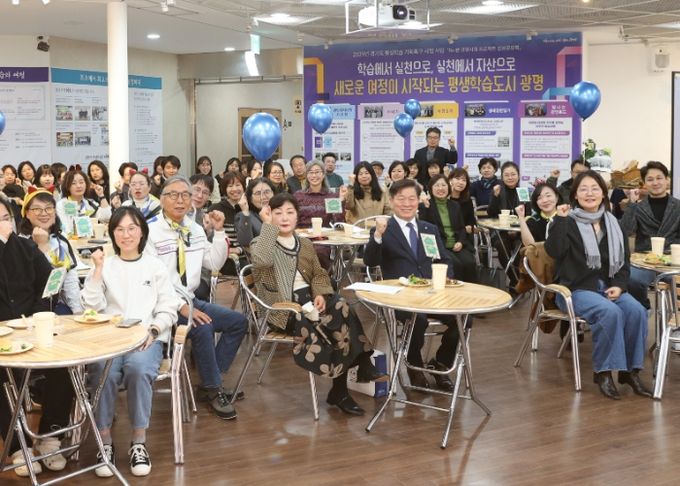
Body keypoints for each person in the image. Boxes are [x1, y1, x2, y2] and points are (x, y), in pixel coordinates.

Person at [250, 192, 387, 416]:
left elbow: (319, 274)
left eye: (290, 212)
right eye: (278, 213)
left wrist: (321, 293)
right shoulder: (261, 242)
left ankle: (344, 386)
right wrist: (267, 226)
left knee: (340, 306)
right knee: (335, 322)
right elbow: (262, 260)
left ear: (297, 216)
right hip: (284, 309)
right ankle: (352, 376)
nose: (284, 217)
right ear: (270, 216)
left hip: (310, 301)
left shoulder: (304, 243)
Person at [84, 207, 179, 477]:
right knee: (102, 372)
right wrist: (97, 270)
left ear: (142, 232)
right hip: (110, 341)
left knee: (138, 369)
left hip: (146, 339)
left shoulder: (155, 266)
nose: (126, 235)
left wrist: (154, 330)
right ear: (112, 234)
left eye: (132, 228)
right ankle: (105, 443)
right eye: (120, 229)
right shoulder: (106, 265)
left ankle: (138, 442)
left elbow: (168, 307)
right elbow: (91, 306)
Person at [145, 175, 248, 420]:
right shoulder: (150, 231)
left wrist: (220, 231)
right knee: (202, 327)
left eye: (185, 195)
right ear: (162, 199)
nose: (180, 200)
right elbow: (151, 281)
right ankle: (213, 389)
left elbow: (213, 262)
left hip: (190, 300)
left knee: (238, 322)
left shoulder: (195, 228)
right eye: (173, 195)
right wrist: (181, 308)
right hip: (162, 306)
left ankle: (211, 381)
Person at [545, 170, 652, 400]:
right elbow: (554, 251)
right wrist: (560, 220)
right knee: (609, 312)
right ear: (575, 195)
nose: (589, 193)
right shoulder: (566, 221)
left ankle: (629, 372)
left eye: (595, 188)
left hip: (608, 287)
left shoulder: (613, 224)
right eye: (583, 189)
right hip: (574, 289)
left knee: (637, 311)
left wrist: (620, 286)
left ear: (604, 194)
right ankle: (603, 373)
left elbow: (623, 263)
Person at [0, 197, 75, 477]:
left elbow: (49, 284)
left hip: (32, 327)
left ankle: (51, 437)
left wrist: (35, 316)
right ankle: (18, 446)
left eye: (5, 218)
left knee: (64, 364)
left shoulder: (26, 247)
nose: (3, 224)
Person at [363, 179, 457, 391]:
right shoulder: (385, 229)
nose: (407, 204)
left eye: (411, 199)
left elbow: (444, 259)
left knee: (464, 318)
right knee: (418, 319)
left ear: (418, 200)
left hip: (433, 294)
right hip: (401, 297)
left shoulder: (429, 228)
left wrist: (447, 278)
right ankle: (414, 364)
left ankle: (441, 363)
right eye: (401, 199)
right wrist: (377, 235)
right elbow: (370, 260)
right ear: (391, 201)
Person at [621, 161, 680, 309]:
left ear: (667, 180)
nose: (655, 183)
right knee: (631, 278)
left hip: (672, 261)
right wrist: (631, 204)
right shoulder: (638, 207)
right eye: (650, 179)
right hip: (645, 261)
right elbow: (626, 230)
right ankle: (642, 308)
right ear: (644, 183)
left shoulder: (678, 206)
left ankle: (676, 316)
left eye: (659, 178)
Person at [20, 188, 83, 315]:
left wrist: (78, 311)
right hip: (30, 310)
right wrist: (42, 247)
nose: (44, 213)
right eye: (37, 209)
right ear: (27, 213)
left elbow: (70, 279)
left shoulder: (61, 241)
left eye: (49, 208)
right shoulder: (20, 244)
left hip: (58, 305)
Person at [419, 175, 477, 283]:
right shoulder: (426, 206)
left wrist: (460, 242)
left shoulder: (454, 205)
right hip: (439, 246)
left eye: (443, 185)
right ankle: (455, 291)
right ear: (431, 188)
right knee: (455, 264)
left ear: (448, 187)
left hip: (456, 244)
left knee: (470, 262)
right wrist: (425, 208)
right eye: (437, 186)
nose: (440, 188)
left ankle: (470, 291)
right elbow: (424, 230)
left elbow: (461, 228)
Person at [487, 161, 529, 287]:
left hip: (519, 232)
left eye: (513, 174)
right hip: (500, 232)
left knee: (520, 249)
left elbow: (528, 214)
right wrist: (495, 197)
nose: (510, 177)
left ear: (518, 175)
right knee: (502, 246)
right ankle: (515, 281)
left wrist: (517, 229)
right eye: (506, 175)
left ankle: (516, 281)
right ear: (502, 177)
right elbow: (491, 213)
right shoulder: (498, 190)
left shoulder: (523, 191)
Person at [209, 172, 248, 275]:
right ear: (225, 189)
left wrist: (239, 249)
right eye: (230, 186)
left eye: (238, 185)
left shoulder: (250, 208)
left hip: (247, 256)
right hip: (225, 259)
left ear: (244, 187)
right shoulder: (216, 208)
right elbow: (210, 237)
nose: (234, 189)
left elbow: (253, 239)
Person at [56, 168, 111, 237]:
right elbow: (66, 228)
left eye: (81, 182)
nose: (78, 186)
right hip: (70, 240)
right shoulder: (62, 204)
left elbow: (106, 217)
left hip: (88, 240)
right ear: (67, 186)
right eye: (73, 183)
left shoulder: (90, 203)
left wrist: (101, 195)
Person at [234, 177, 275, 248]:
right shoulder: (244, 216)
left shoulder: (279, 212)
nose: (263, 197)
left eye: (267, 192)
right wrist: (245, 213)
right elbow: (245, 242)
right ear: (250, 198)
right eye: (258, 193)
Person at [448, 168, 476, 235]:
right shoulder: (444, 199)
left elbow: (471, 220)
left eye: (464, 180)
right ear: (450, 180)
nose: (461, 182)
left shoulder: (467, 200)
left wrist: (471, 226)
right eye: (457, 179)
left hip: (464, 236)